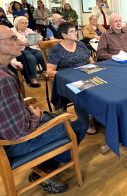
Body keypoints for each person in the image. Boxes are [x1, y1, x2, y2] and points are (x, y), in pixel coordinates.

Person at [0, 25, 89, 194]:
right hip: (16, 144)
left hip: (17, 129)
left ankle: (50, 160)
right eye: (13, 38)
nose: (20, 42)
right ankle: (47, 166)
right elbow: (16, 133)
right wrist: (35, 116)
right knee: (79, 123)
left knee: (59, 116)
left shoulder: (5, 70)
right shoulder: (3, 79)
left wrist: (27, 109)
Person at [47, 22, 97, 135]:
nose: (76, 33)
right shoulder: (56, 49)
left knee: (103, 85)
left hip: (86, 74)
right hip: (67, 80)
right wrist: (71, 73)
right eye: (72, 31)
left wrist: (91, 69)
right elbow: (49, 71)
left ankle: (97, 114)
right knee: (82, 92)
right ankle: (84, 123)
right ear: (64, 35)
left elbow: (91, 61)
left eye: (75, 30)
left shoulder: (80, 44)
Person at [12, 16, 46, 87]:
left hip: (32, 47)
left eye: (26, 23)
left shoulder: (29, 30)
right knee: (31, 58)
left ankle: (48, 72)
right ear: (17, 23)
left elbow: (39, 36)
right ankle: (32, 79)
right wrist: (22, 43)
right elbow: (11, 41)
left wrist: (39, 39)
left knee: (41, 55)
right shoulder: (12, 31)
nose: (25, 24)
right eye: (22, 23)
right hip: (21, 49)